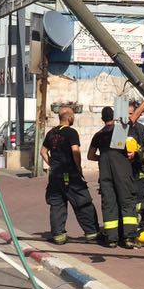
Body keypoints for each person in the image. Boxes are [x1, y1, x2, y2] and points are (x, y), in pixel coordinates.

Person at [41, 105, 99, 245]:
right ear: (69, 117)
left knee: (57, 204)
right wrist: (78, 167)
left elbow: (43, 151)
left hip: (55, 175)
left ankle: (58, 235)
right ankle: (92, 233)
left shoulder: (51, 133)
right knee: (83, 202)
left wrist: (52, 164)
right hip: (70, 174)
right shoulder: (71, 132)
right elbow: (75, 151)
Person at [88, 104, 138, 249]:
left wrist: (103, 158)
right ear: (114, 117)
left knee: (109, 204)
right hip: (122, 172)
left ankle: (111, 239)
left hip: (105, 173)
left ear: (103, 119)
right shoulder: (120, 132)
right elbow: (133, 120)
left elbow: (90, 156)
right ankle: (128, 238)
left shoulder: (98, 135)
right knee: (127, 202)